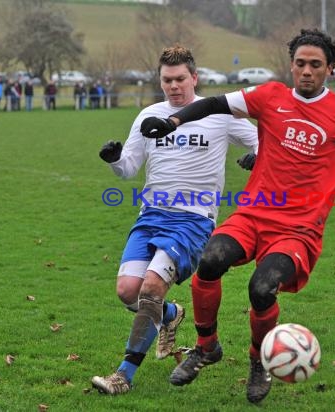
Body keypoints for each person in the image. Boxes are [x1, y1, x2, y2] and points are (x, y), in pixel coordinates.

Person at [140, 28, 335, 404]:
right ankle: (207, 348)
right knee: (210, 261)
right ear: (292, 65)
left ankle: (259, 362)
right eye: (300, 63)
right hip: (253, 215)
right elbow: (214, 104)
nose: (306, 71)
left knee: (261, 288)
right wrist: (174, 123)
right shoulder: (270, 96)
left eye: (315, 65)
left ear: (330, 69)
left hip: (298, 229)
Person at [90, 45, 258, 395]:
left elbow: (262, 140)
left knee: (150, 287)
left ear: (194, 78)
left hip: (192, 219)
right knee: (127, 292)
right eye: (167, 80)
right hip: (150, 215)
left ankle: (123, 375)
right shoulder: (149, 116)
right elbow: (129, 170)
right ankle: (169, 315)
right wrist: (113, 158)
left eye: (180, 78)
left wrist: (256, 155)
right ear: (160, 81)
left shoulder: (219, 115)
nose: (174, 86)